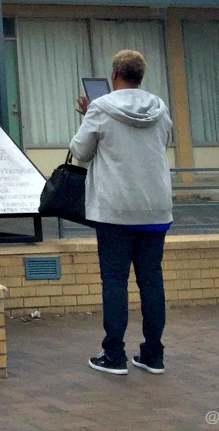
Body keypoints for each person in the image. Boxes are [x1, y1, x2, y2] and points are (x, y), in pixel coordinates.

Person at [69, 49, 173, 376]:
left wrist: (87, 116)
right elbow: (164, 143)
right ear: (141, 76)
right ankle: (153, 354)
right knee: (151, 281)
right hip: (156, 209)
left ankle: (114, 354)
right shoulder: (159, 107)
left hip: (114, 210)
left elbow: (80, 152)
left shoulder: (100, 108)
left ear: (115, 75)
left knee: (115, 281)